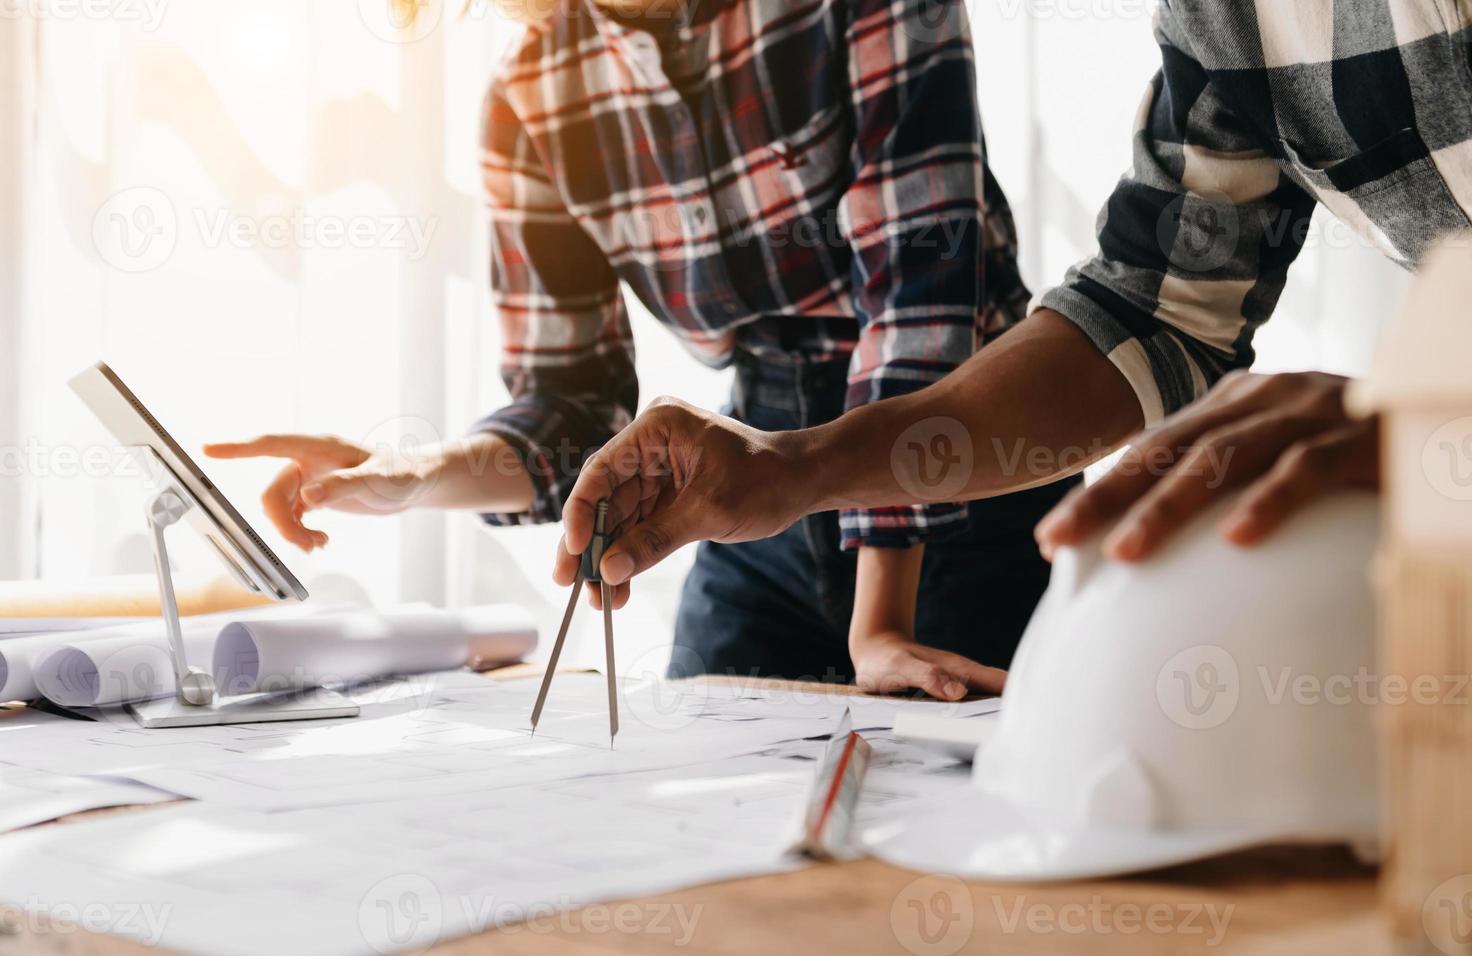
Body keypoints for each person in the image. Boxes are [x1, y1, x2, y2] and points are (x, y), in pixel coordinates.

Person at [555, 0, 1470, 696]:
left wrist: (1434, 420)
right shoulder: (1228, 20)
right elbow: (1150, 309)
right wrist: (797, 468)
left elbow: (924, 280)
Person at [204, 0, 1064, 700]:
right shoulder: (530, 88)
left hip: (963, 465)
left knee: (965, 824)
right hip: (746, 489)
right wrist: (408, 474)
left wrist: (880, 625)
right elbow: (568, 403)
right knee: (709, 812)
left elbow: (922, 304)